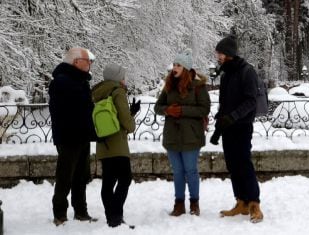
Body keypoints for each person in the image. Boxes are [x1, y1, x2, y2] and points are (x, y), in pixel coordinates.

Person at [211, 35, 268, 223]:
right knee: (232, 165)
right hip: (228, 128)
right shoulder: (226, 74)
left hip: (242, 127)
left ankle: (254, 205)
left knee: (244, 164)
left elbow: (251, 101)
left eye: (220, 53)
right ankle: (241, 202)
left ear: (229, 54)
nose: (217, 57)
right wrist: (220, 120)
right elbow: (225, 102)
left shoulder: (247, 71)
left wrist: (233, 117)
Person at [154, 49, 211, 217]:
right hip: (172, 135)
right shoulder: (169, 85)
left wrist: (182, 110)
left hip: (191, 136)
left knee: (191, 170)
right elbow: (157, 107)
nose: (174, 68)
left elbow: (204, 109)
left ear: (186, 68)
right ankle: (179, 203)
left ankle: (194, 203)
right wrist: (168, 110)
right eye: (174, 64)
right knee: (177, 171)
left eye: (178, 65)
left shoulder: (198, 87)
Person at [48, 47, 98, 226]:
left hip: (82, 135)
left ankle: (81, 211)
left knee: (81, 175)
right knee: (65, 175)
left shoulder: (80, 81)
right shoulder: (62, 81)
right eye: (87, 60)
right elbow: (64, 110)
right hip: (69, 136)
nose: (90, 63)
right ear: (76, 61)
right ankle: (60, 213)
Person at [91, 63, 141, 228]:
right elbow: (125, 121)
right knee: (125, 178)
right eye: (123, 76)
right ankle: (116, 216)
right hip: (118, 144)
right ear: (118, 78)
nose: (125, 79)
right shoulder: (117, 91)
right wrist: (132, 119)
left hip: (103, 143)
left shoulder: (97, 93)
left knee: (108, 181)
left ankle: (111, 217)